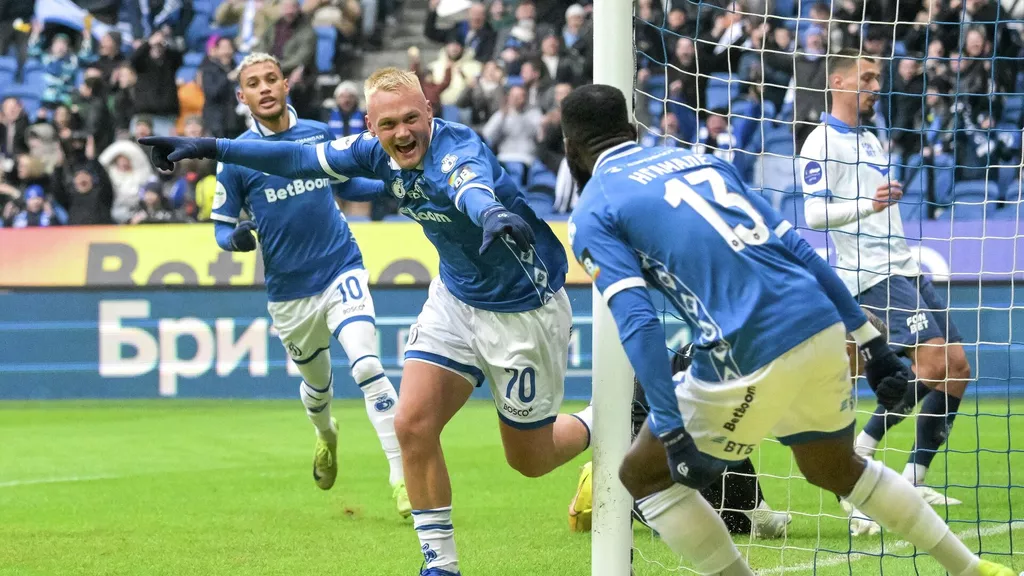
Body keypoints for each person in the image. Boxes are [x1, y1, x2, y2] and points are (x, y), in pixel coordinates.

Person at [141, 66, 594, 576]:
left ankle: (611, 417)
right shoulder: (372, 152)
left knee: (530, 460)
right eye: (388, 124)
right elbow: (296, 158)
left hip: (523, 308)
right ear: (370, 126)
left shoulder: (457, 149)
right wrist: (210, 147)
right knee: (411, 425)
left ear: (430, 112)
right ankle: (440, 566)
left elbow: (470, 186)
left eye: (411, 119)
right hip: (455, 298)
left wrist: (489, 213)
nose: (403, 132)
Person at [560, 83, 1015, 576]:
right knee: (834, 468)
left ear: (569, 148)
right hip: (821, 322)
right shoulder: (701, 162)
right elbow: (798, 249)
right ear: (632, 130)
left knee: (642, 476)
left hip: (744, 346)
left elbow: (639, 321)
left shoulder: (593, 211)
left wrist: (669, 427)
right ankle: (972, 569)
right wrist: (870, 342)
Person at [152, 53, 411, 516]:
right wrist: (234, 239)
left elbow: (346, 186)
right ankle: (326, 434)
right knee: (318, 388)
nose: (265, 88)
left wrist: (390, 188)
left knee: (368, 366)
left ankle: (402, 478)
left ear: (286, 84)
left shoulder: (316, 133)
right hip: (290, 293)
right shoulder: (237, 157)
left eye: (271, 78)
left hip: (340, 267)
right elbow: (221, 227)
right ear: (242, 96)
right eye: (254, 83)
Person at [799, 48, 969, 516]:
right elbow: (813, 215)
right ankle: (861, 452)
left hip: (905, 265)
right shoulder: (821, 142)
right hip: (872, 272)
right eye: (868, 78)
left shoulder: (871, 138)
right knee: (934, 363)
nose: (876, 87)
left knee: (957, 367)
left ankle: (914, 480)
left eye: (877, 79)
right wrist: (868, 206)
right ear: (837, 82)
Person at [570, 343, 791, 539]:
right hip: (643, 435)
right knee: (684, 523)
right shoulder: (714, 355)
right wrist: (759, 511)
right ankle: (609, 480)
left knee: (735, 524)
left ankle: (753, 512)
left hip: (677, 426)